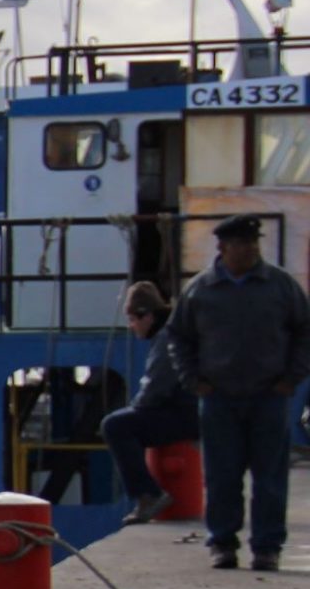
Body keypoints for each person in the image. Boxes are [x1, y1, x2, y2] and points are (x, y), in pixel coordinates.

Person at [167, 214, 310, 571]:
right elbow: (179, 338)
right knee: (222, 475)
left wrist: (291, 378)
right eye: (242, 243)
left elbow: (305, 333)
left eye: (253, 242)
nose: (250, 249)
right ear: (222, 247)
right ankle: (223, 544)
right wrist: (192, 380)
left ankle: (267, 547)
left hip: (269, 396)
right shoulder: (202, 289)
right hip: (218, 397)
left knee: (270, 478)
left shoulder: (280, 286)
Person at [98, 281, 197, 523]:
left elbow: (156, 387)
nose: (132, 327)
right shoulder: (174, 330)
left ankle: (148, 494)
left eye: (133, 320)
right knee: (127, 421)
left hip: (186, 415)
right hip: (196, 409)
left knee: (115, 425)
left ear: (147, 315)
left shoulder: (166, 338)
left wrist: (134, 408)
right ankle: (148, 492)